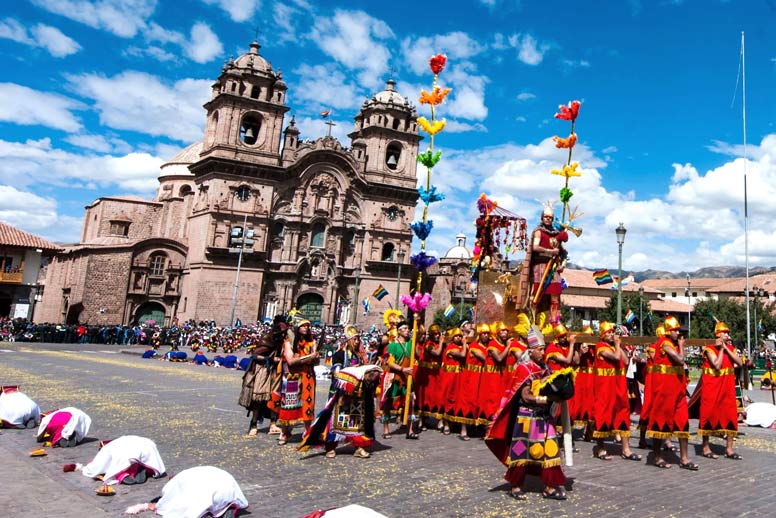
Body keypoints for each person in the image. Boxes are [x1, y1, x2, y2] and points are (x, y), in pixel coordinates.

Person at [485, 332, 568, 501]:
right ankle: (516, 485)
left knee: (550, 451)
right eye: (540, 350)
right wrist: (544, 399)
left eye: (544, 349)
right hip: (526, 417)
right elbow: (525, 396)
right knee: (521, 452)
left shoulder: (546, 368)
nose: (543, 353)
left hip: (545, 417)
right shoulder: (523, 368)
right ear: (531, 351)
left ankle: (549, 486)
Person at [299, 364, 382, 459]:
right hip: (344, 402)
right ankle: (330, 447)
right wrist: (343, 398)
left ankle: (359, 447)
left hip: (359, 406)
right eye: (369, 380)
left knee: (358, 428)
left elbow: (373, 393)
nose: (370, 382)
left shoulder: (370, 377)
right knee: (334, 426)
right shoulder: (352, 377)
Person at [647, 316, 696, 470]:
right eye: (674, 330)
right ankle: (657, 457)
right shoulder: (665, 343)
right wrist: (681, 346)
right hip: (664, 391)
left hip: (678, 391)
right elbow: (680, 360)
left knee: (683, 423)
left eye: (678, 330)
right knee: (660, 423)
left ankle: (684, 459)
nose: (677, 332)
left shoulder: (672, 344)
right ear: (668, 331)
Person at [592, 322, 641, 462]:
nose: (611, 335)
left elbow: (625, 361)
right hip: (605, 389)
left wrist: (621, 346)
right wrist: (618, 345)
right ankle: (600, 449)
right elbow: (615, 357)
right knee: (603, 415)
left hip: (618, 387)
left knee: (623, 414)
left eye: (611, 332)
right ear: (602, 335)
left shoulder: (615, 347)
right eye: (607, 333)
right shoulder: (600, 347)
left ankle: (626, 450)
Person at [124, 466, 248, 516]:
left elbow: (165, 503)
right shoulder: (188, 475)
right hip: (228, 485)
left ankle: (218, 508)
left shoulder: (177, 485)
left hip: (218, 490)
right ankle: (222, 508)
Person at [698, 321, 742, 460]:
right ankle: (705, 447)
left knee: (730, 415)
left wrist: (726, 348)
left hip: (727, 388)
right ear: (718, 334)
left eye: (728, 332)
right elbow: (716, 365)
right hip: (712, 387)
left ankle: (729, 449)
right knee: (708, 414)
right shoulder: (709, 349)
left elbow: (740, 363)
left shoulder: (731, 348)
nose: (727, 335)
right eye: (724, 332)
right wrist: (722, 349)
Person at [272, 319, 319, 445]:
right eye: (303, 326)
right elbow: (291, 360)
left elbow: (316, 361)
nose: (306, 328)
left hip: (308, 376)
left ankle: (307, 432)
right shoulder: (289, 342)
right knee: (288, 404)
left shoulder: (312, 342)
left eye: (308, 326)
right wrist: (309, 358)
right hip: (292, 377)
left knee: (308, 405)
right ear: (298, 328)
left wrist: (313, 358)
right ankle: (285, 432)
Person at [64, 435, 166, 493]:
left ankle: (126, 474)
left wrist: (80, 467)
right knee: (138, 460)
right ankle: (141, 468)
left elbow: (95, 467)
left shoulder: (107, 449)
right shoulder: (119, 441)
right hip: (147, 444)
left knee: (119, 466)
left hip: (129, 454)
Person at [523, 203, 569, 324]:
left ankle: (554, 322)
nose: (548, 219)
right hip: (540, 267)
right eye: (546, 217)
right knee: (537, 295)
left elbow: (563, 252)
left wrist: (562, 264)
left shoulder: (555, 234)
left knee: (555, 297)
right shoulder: (538, 232)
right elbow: (535, 247)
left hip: (553, 268)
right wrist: (550, 251)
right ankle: (532, 321)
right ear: (542, 218)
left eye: (550, 217)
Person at [381, 320, 418, 439]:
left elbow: (417, 354)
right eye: (405, 329)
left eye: (408, 328)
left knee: (411, 402)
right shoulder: (392, 345)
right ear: (400, 331)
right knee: (388, 403)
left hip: (407, 378)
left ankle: (410, 429)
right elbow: (390, 363)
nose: (408, 331)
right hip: (395, 377)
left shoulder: (411, 343)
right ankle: (386, 429)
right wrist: (403, 369)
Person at [438, 327, 468, 437]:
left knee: (460, 401)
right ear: (452, 338)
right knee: (448, 399)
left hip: (460, 378)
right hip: (450, 378)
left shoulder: (460, 347)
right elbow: (463, 355)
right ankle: (446, 424)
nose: (459, 338)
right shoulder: (451, 348)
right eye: (456, 336)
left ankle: (461, 427)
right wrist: (465, 344)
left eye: (460, 336)